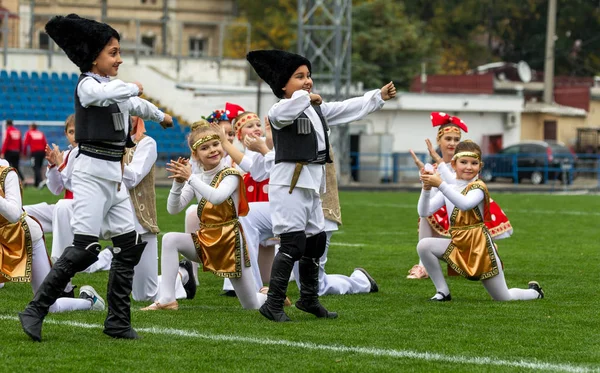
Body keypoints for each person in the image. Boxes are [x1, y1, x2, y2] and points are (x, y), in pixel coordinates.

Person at [19, 14, 173, 342]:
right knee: (85, 248)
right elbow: (109, 96)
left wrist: (161, 116)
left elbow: (135, 105)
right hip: (90, 174)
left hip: (113, 177)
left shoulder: (113, 89)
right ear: (94, 58)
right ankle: (36, 309)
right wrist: (133, 86)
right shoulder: (88, 85)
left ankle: (117, 320)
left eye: (118, 52)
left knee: (128, 245)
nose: (119, 59)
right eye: (113, 53)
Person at [246, 49, 396, 322]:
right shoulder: (279, 109)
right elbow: (290, 109)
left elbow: (344, 108)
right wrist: (306, 96)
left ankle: (309, 299)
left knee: (315, 241)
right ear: (282, 84)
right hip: (288, 185)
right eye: (299, 76)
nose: (307, 81)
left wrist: (376, 97)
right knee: (292, 244)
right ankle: (273, 304)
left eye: (309, 75)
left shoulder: (315, 109)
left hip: (311, 186)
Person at [141, 125, 266, 310]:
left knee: (252, 305)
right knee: (170, 239)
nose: (213, 150)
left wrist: (190, 178)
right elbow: (173, 209)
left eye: (216, 144)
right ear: (196, 154)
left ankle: (270, 295)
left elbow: (217, 197)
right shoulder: (197, 178)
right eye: (205, 148)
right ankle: (168, 298)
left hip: (229, 243)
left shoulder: (230, 174)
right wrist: (177, 183)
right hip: (206, 239)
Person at [417, 140, 544, 301]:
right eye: (464, 162)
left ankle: (534, 292)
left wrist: (440, 183)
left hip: (480, 249)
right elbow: (424, 212)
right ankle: (443, 292)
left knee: (504, 297)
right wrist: (426, 189)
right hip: (458, 244)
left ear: (480, 166)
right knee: (424, 245)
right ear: (454, 164)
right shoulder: (450, 188)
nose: (469, 167)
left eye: (474, 163)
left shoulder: (478, 187)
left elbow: (464, 204)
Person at [407, 112, 512, 279]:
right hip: (446, 209)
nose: (452, 143)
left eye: (456, 139)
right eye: (448, 139)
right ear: (438, 141)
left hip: (466, 207)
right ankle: (424, 267)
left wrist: (439, 174)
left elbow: (459, 189)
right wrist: (426, 183)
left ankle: (486, 249)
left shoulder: (466, 168)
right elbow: (430, 203)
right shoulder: (434, 167)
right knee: (426, 216)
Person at [0, 158, 104, 314]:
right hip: (2, 239)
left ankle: (89, 301)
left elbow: (14, 214)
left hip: (25, 237)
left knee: (48, 305)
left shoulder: (7, 173)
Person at [23, 123, 48, 188]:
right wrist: (46, 153)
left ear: (31, 127)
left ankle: (40, 181)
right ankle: (36, 183)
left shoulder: (29, 133)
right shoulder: (40, 133)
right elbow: (45, 143)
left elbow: (25, 144)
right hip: (42, 152)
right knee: (39, 167)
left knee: (35, 167)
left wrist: (24, 153)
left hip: (35, 152)